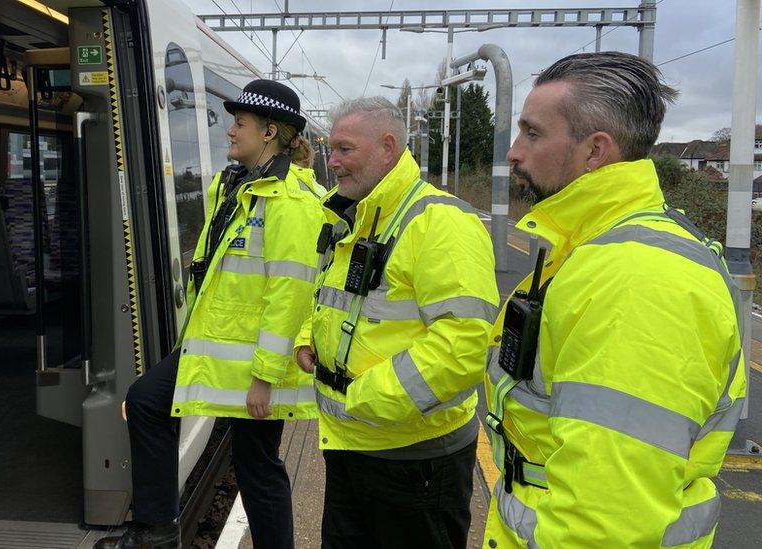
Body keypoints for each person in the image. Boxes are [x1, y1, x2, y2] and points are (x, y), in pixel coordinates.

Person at [483, 51, 745, 548]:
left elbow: (606, 523)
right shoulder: (591, 247)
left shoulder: (636, 279)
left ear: (595, 151)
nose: (514, 152)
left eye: (532, 133)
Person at [105, 80, 327, 549]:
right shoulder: (231, 186)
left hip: (255, 364)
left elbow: (289, 295)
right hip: (223, 348)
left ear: (270, 132)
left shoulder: (291, 203)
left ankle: (165, 533)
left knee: (257, 466)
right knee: (147, 400)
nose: (229, 130)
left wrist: (265, 376)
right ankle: (157, 532)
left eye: (239, 123)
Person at [294, 97, 499, 548]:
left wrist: (362, 397)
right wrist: (310, 337)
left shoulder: (440, 222)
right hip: (353, 444)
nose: (332, 162)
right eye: (331, 149)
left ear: (387, 147)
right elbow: (340, 298)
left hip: (414, 460)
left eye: (345, 150)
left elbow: (463, 347)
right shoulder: (357, 213)